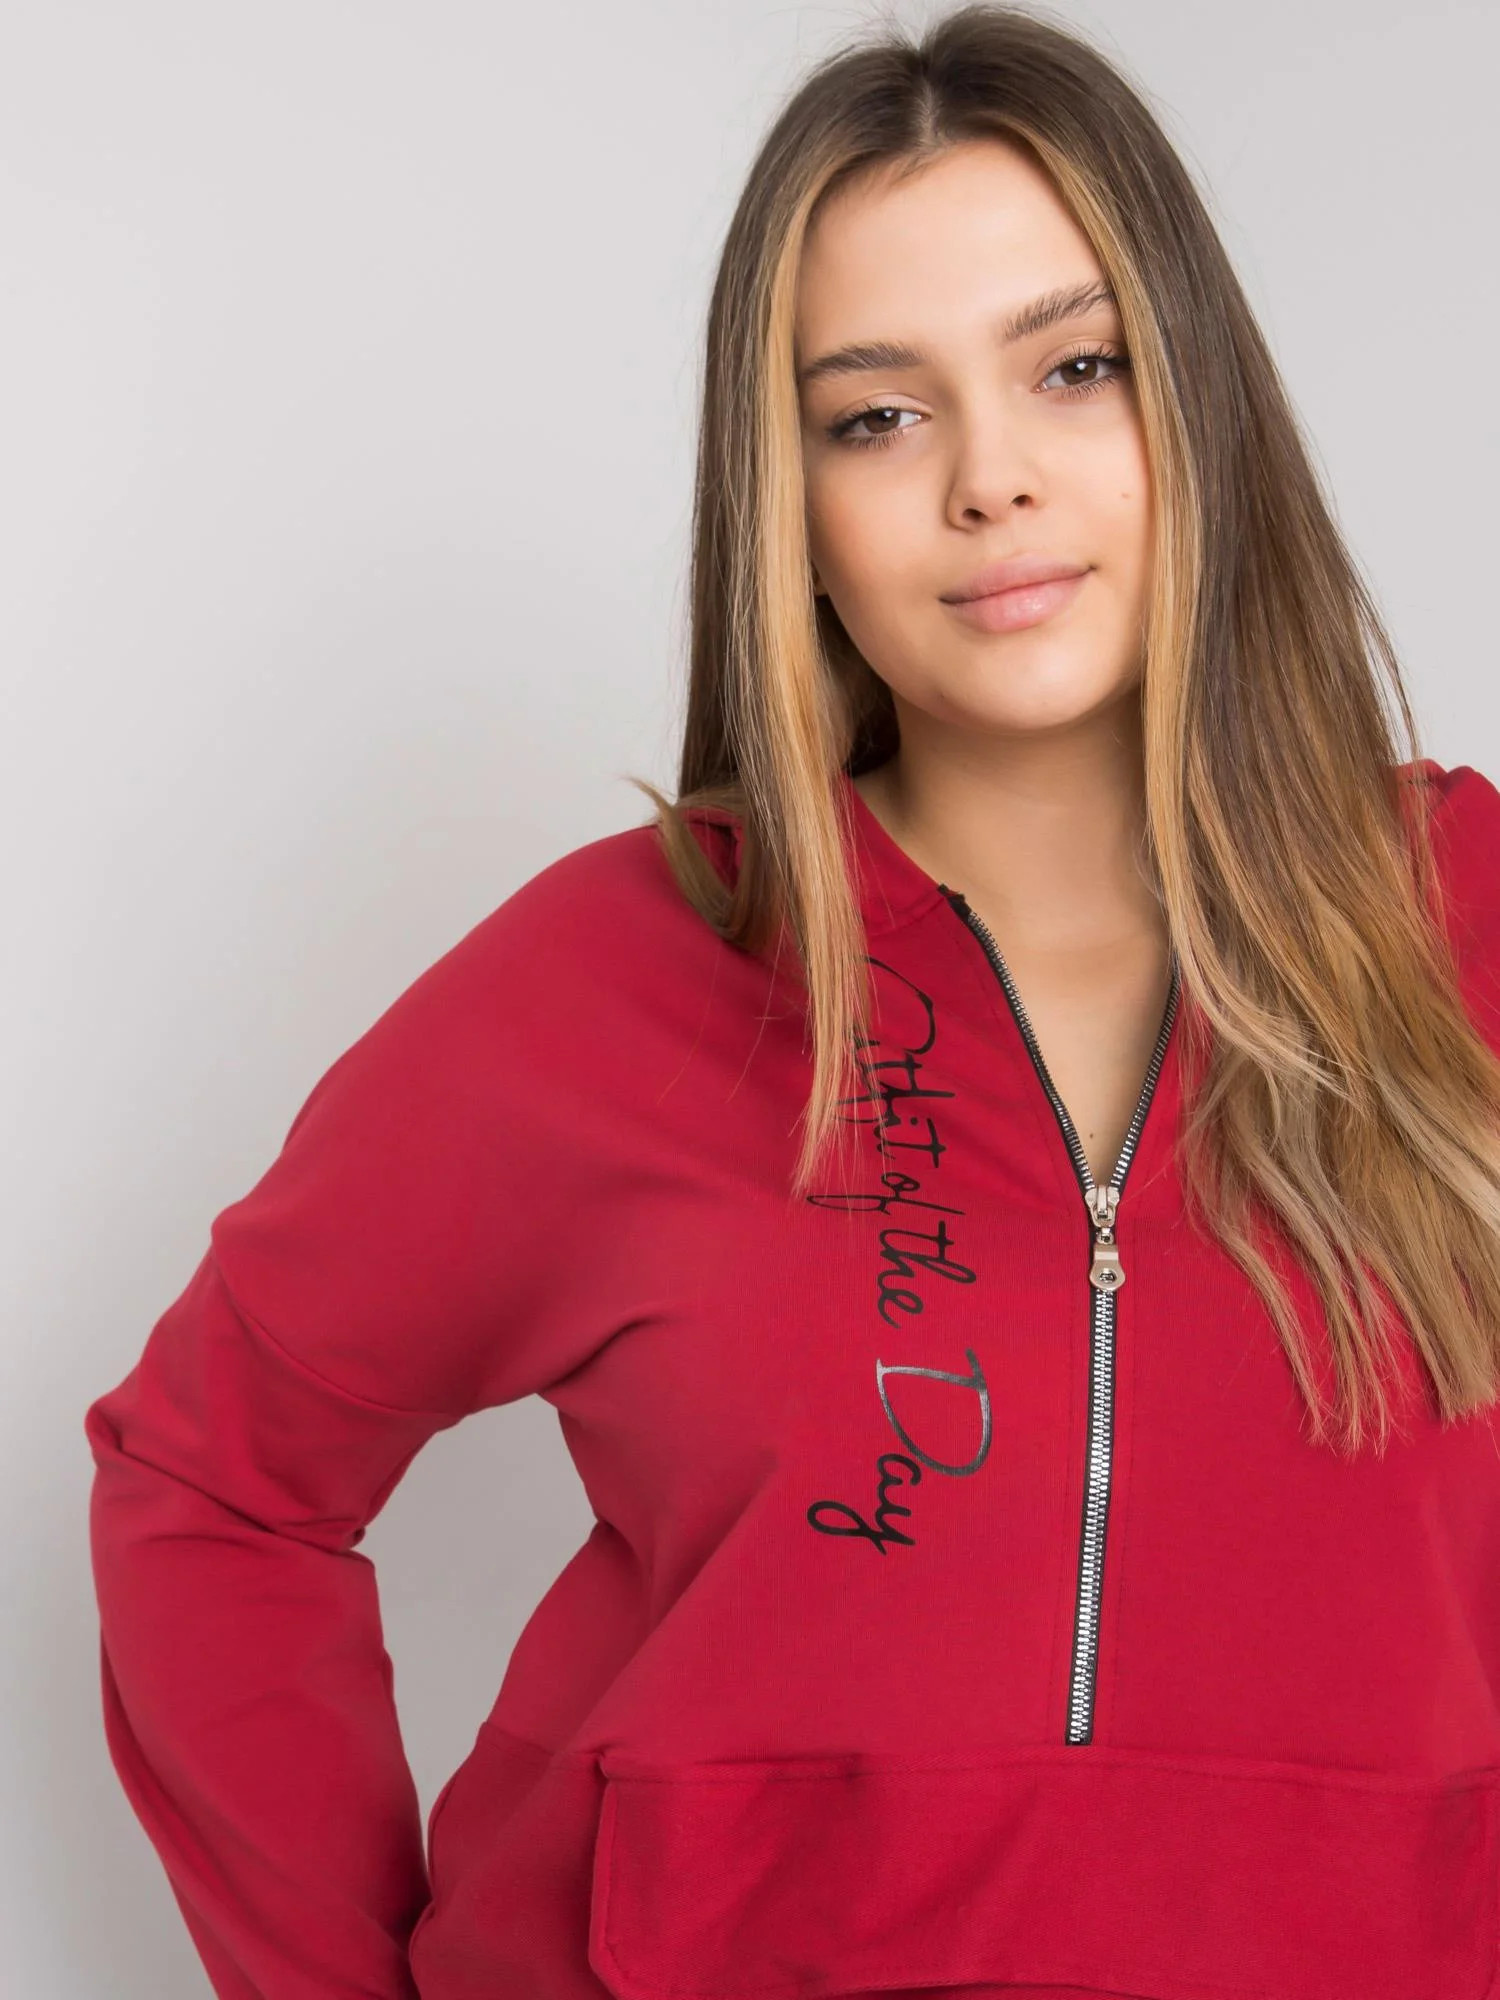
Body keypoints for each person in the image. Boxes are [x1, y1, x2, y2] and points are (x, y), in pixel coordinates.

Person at [84, 6, 1500, 1998]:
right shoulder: (616, 976)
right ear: (793, 504)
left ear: (1201, 403)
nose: (991, 481)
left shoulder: (1471, 933)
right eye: (877, 416)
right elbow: (212, 1480)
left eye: (1075, 367)